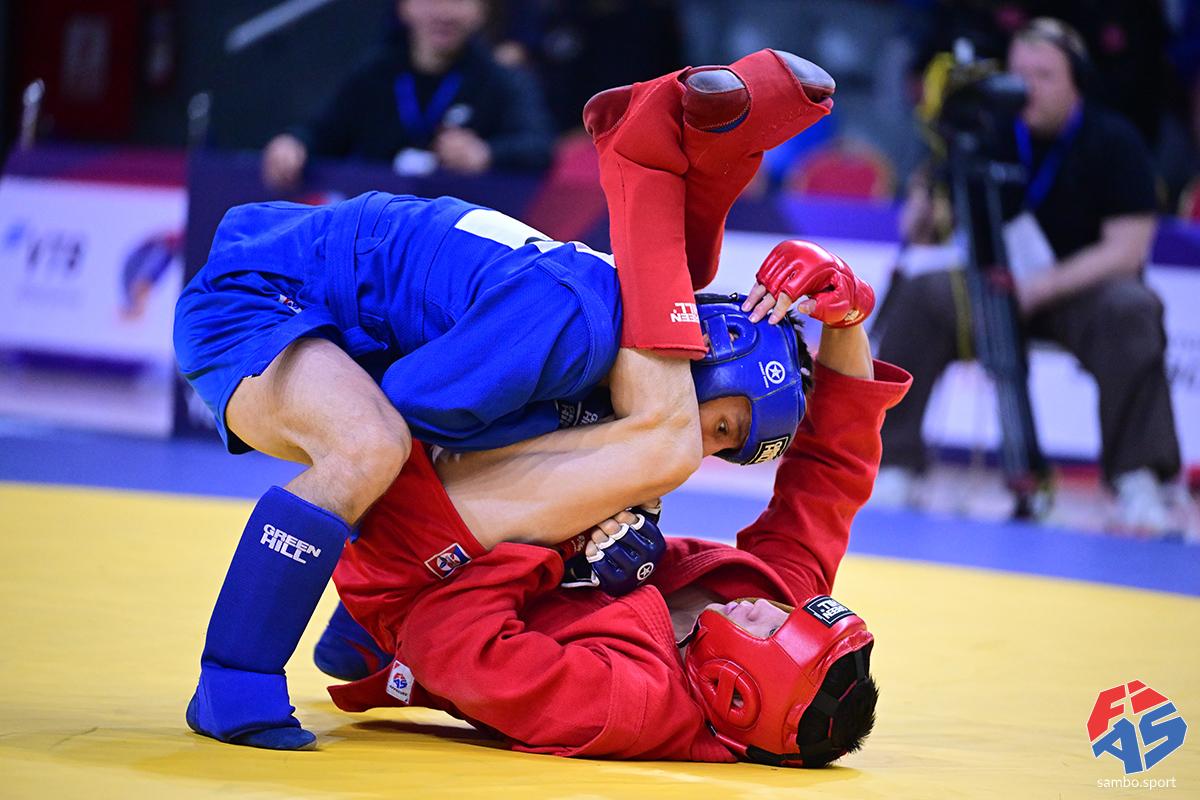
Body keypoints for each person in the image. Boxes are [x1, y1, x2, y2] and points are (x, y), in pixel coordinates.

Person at [177, 49, 846, 751]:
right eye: (720, 426)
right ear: (695, 372)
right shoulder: (578, 328)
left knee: (628, 414)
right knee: (369, 446)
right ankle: (232, 681)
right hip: (262, 296)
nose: (705, 446)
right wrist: (567, 519)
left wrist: (573, 523)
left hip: (352, 308)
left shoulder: (604, 341)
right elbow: (409, 404)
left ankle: (695, 146)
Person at [323, 285, 910, 766]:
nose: (768, 608)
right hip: (492, 539)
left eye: (771, 629)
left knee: (637, 437)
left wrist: (569, 546)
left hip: (420, 579)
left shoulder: (621, 705)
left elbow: (444, 639)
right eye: (787, 614)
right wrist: (846, 316)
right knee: (618, 413)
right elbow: (830, 476)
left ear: (737, 696)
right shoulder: (774, 600)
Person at [874, 18, 1182, 532]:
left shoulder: (1115, 140)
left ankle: (1138, 478)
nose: (1026, 88)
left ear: (1076, 81)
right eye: (1018, 74)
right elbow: (921, 235)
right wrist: (936, 165)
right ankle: (895, 466)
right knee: (922, 296)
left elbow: (1127, 251)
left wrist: (1040, 288)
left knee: (1133, 308)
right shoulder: (985, 134)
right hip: (991, 285)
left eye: (1044, 75)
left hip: (1079, 291)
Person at [261, 0, 555, 189]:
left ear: (482, 11)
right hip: (379, 230)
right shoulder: (376, 73)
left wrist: (486, 154)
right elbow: (322, 132)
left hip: (465, 229)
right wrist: (293, 143)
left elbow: (539, 147)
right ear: (404, 7)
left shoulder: (503, 80)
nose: (444, 12)